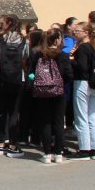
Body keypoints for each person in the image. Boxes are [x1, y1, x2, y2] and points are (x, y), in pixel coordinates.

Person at [28, 28, 72, 164]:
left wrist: (35, 82)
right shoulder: (62, 55)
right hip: (58, 92)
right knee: (59, 122)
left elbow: (31, 73)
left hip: (42, 92)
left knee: (45, 122)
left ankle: (47, 153)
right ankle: (58, 153)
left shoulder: (39, 54)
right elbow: (69, 75)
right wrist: (61, 83)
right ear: (58, 40)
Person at [0, 14, 27, 158]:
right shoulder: (24, 40)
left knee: (1, 111)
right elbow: (26, 59)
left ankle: (1, 143)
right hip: (18, 79)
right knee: (14, 112)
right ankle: (13, 145)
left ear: (9, 23)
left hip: (2, 78)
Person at [69, 22, 95, 160]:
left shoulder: (83, 47)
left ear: (85, 32)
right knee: (91, 115)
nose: (75, 33)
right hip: (93, 83)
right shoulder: (92, 46)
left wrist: (71, 60)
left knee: (81, 116)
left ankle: (84, 149)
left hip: (82, 82)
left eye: (77, 31)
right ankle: (94, 148)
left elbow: (82, 66)